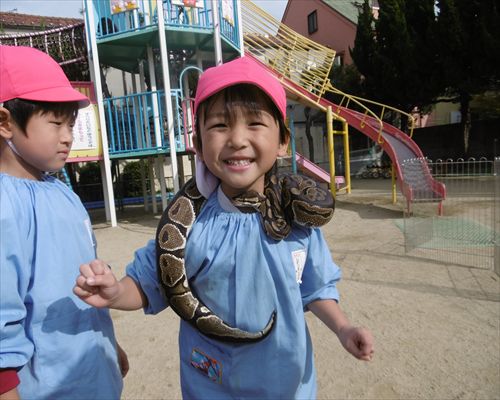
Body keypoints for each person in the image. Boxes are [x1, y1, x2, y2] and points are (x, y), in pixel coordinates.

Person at [74, 56, 374, 398]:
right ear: (199, 144)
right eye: (219, 125)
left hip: (285, 383)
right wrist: (115, 293)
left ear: (282, 141)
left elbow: (316, 288)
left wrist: (343, 328)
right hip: (211, 384)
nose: (237, 139)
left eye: (255, 123)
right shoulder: (192, 224)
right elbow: (147, 282)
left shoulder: (300, 225)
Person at [0, 45, 127, 400]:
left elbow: (85, 283)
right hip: (47, 387)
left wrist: (108, 345)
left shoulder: (61, 191)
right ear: (5, 123)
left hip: (93, 373)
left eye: (70, 123)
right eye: (56, 123)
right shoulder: (5, 206)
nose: (68, 135)